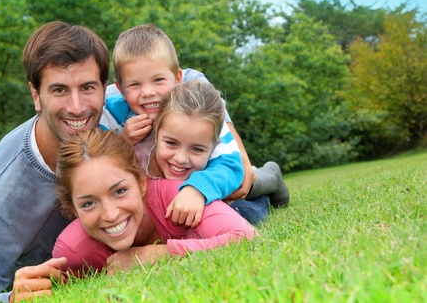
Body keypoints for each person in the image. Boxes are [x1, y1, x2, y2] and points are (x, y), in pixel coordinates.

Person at [0, 21, 110, 303]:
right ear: (36, 96)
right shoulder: (7, 190)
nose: (77, 107)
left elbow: (181, 81)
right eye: (59, 90)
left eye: (87, 87)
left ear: (104, 88)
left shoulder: (115, 117)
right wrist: (12, 298)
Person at [99, 24, 289, 225]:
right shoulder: (112, 118)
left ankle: (270, 180)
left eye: (158, 80)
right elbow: (96, 162)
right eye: (135, 84)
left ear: (177, 79)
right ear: (120, 89)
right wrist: (121, 142)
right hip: (163, 202)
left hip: (211, 188)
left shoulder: (195, 108)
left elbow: (230, 163)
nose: (147, 92)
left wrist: (199, 188)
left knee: (243, 209)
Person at [52, 128, 259, 276]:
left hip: (232, 201)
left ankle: (269, 177)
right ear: (74, 210)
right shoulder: (72, 251)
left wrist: (161, 253)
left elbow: (249, 238)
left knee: (250, 207)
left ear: (142, 183)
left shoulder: (178, 198)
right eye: (88, 204)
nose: (111, 214)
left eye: (120, 191)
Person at [146, 80, 270, 225]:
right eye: (171, 143)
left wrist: (197, 189)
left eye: (196, 149)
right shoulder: (141, 154)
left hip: (238, 190)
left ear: (214, 148)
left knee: (245, 213)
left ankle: (272, 178)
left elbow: (231, 169)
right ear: (155, 135)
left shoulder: (222, 155)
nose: (180, 159)